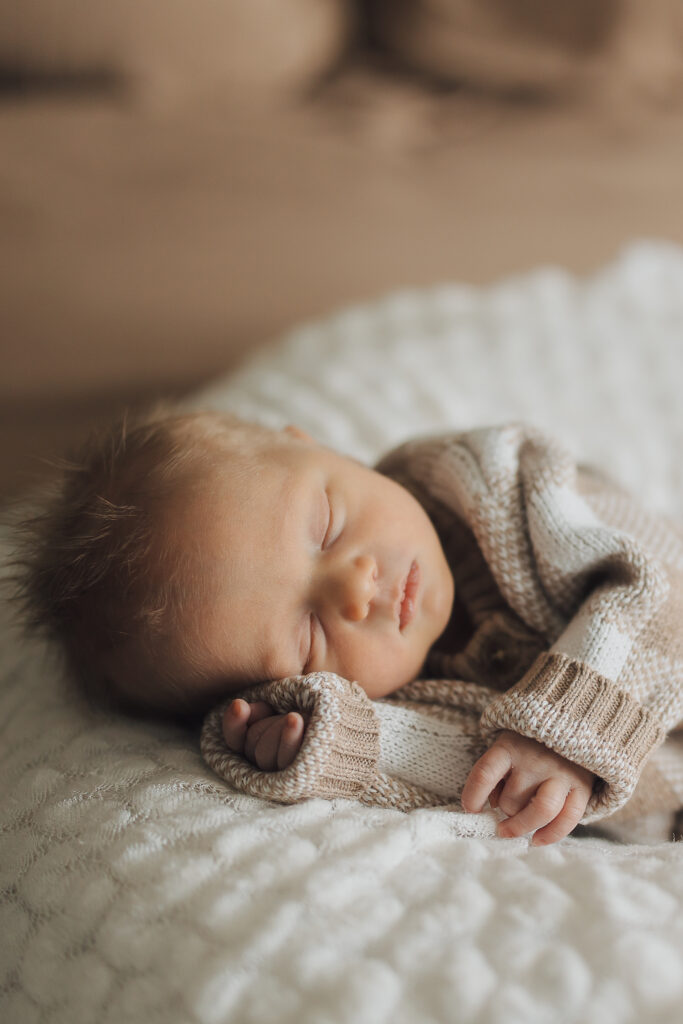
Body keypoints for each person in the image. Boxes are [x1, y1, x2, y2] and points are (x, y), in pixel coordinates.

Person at [14, 407, 683, 844]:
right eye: (308, 636)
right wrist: (335, 739)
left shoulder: (495, 484)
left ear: (321, 450)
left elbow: (660, 581)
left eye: (325, 528)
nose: (355, 588)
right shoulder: (392, 691)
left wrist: (567, 733)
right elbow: (473, 780)